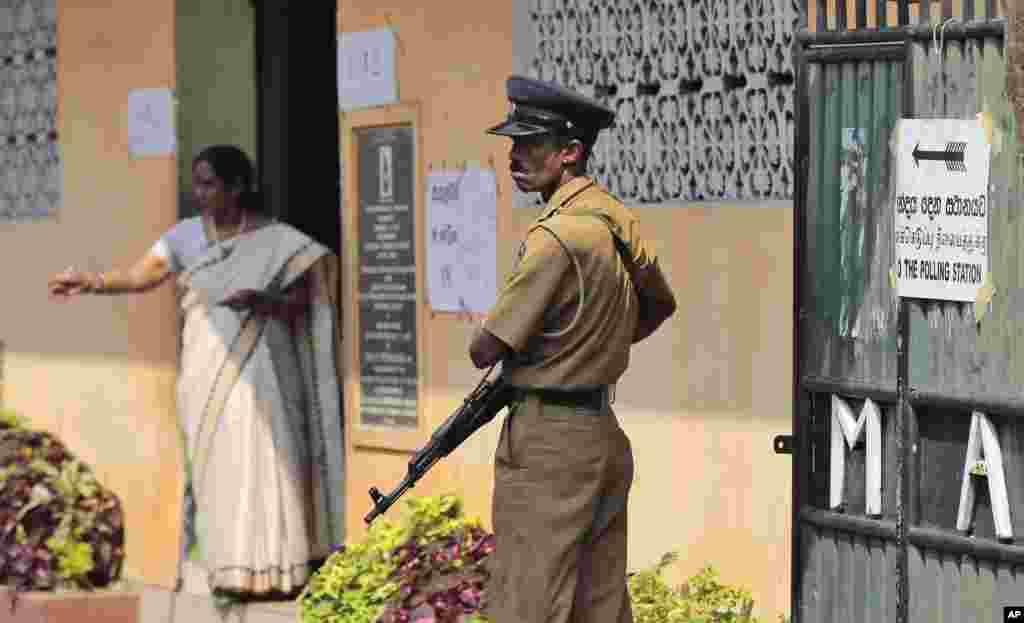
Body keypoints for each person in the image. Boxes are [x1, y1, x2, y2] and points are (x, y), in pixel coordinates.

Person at [47, 145, 344, 600]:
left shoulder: (276, 239)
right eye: (197, 182)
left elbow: (308, 295)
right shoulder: (185, 237)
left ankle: (276, 572)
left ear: (238, 186)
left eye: (209, 183)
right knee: (215, 465)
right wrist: (91, 282)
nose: (199, 192)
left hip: (264, 370)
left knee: (266, 454)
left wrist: (265, 302)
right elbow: (142, 275)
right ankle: (228, 570)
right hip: (204, 372)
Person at [469, 76, 678, 623]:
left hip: (549, 443)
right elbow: (659, 304)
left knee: (527, 603)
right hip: (600, 434)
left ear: (570, 153)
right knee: (598, 605)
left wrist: (561, 355)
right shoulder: (615, 222)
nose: (516, 156)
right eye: (513, 143)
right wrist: (590, 349)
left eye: (531, 144)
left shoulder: (556, 237)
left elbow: (485, 348)